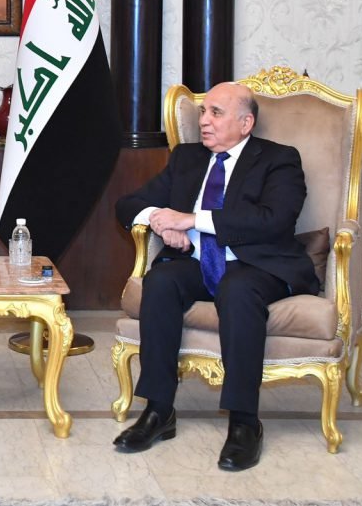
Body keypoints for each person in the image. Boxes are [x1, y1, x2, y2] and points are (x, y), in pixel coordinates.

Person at [113, 81, 316, 471]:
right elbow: (129, 204)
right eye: (203, 112)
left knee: (237, 290)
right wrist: (160, 221)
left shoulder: (279, 159)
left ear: (245, 123)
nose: (204, 121)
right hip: (197, 261)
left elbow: (274, 220)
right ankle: (158, 410)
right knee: (160, 281)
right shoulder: (187, 158)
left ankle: (244, 423)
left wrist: (192, 220)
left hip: (256, 264)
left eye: (216, 113)